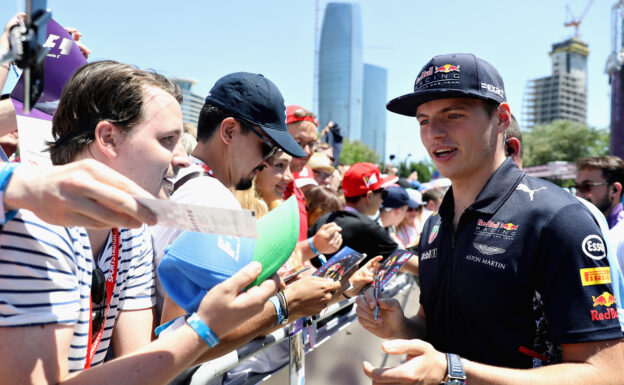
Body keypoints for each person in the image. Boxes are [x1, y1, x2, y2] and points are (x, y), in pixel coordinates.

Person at [0, 60, 277, 385]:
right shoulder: (35, 224)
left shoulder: (129, 234)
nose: (182, 157)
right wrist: (205, 328)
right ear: (109, 138)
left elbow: (138, 368)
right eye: (166, 140)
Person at [356, 53, 624, 384]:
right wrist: (402, 326)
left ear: (501, 118)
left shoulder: (558, 218)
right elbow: (435, 330)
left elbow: (606, 373)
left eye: (453, 115)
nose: (434, 133)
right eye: (423, 120)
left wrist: (453, 372)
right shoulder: (435, 225)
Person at [152, 72, 342, 371]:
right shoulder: (214, 202)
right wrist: (286, 304)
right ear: (229, 131)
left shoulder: (183, 180)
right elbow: (182, 338)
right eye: (266, 146)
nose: (267, 161)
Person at [310, 162, 398, 265]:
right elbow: (407, 262)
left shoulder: (322, 221)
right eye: (383, 194)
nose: (383, 200)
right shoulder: (368, 227)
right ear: (369, 196)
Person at [575, 155, 624, 229]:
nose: (577, 195)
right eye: (576, 187)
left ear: (614, 190)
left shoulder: (619, 233)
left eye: (586, 186)